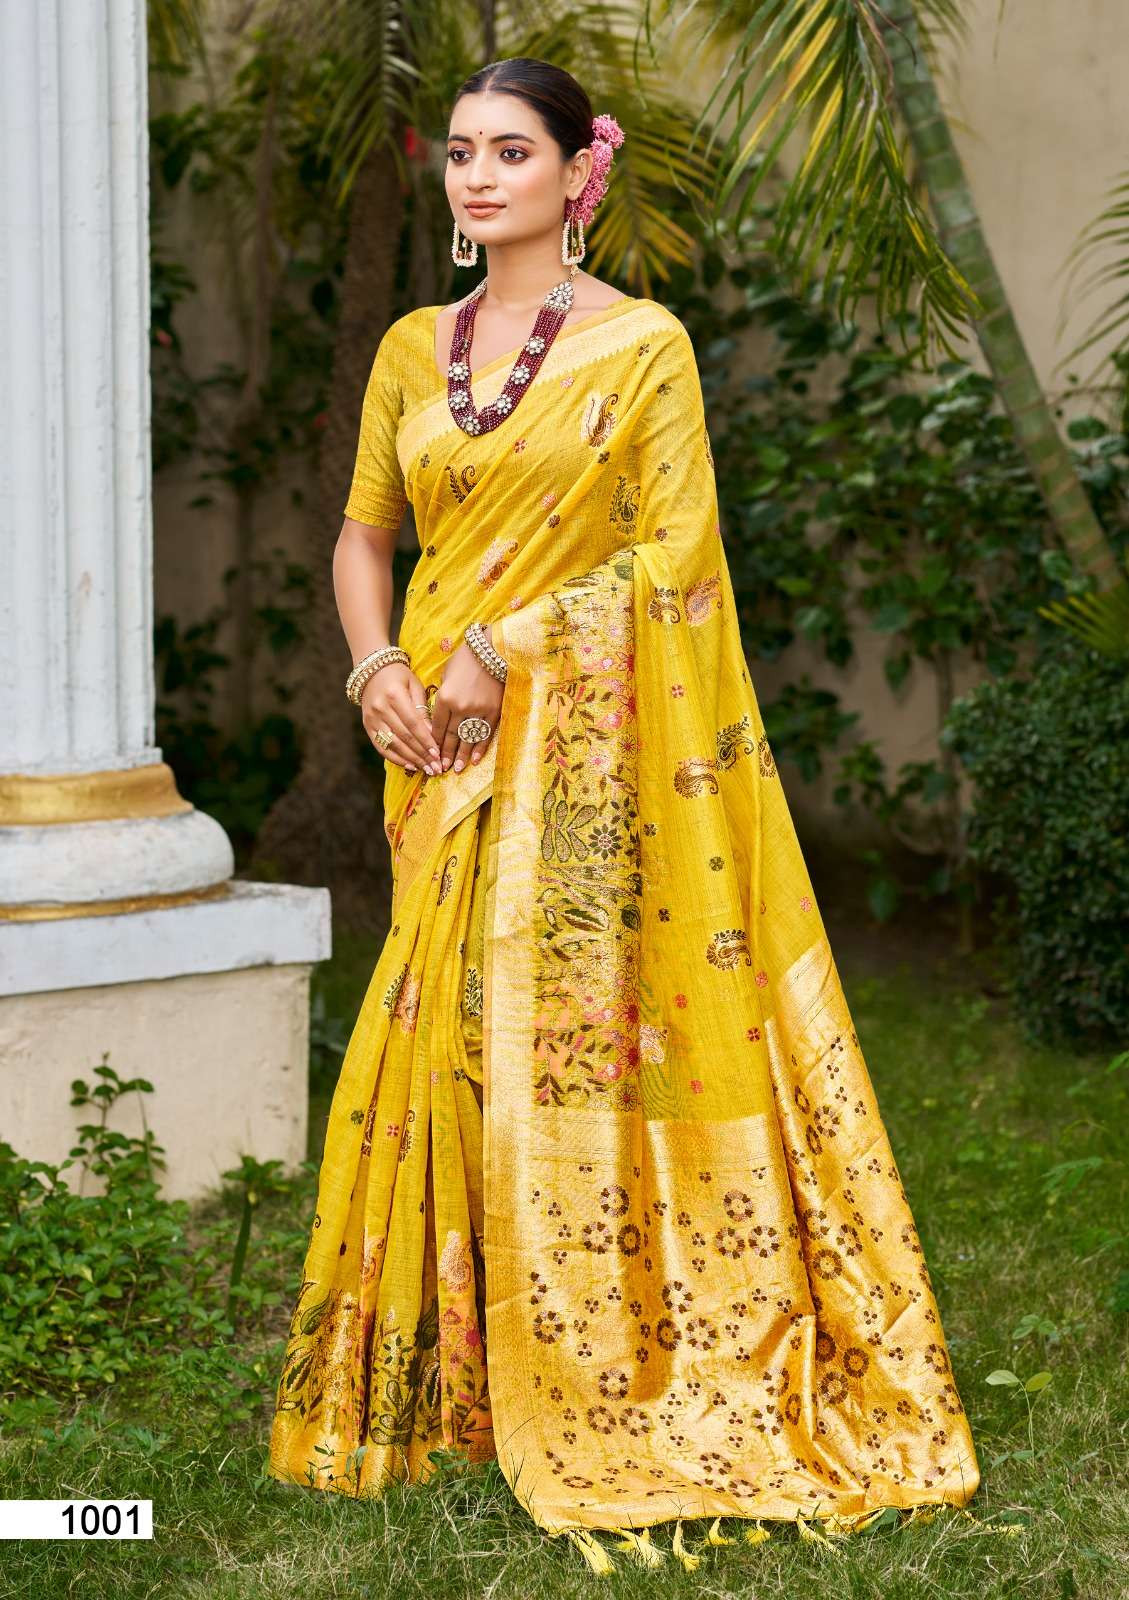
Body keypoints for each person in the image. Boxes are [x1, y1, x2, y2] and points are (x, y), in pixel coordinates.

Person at [266, 55, 980, 1573]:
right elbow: (363, 532)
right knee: (442, 1028)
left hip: (572, 745)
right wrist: (377, 665)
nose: (477, 177)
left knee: (554, 1029)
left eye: (509, 151)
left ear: (574, 172)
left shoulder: (642, 346)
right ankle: (455, 1379)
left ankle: (602, 1348)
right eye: (460, 152)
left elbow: (676, 558)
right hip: (431, 742)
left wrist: (505, 644)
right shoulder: (410, 348)